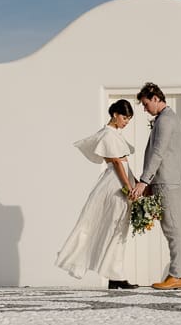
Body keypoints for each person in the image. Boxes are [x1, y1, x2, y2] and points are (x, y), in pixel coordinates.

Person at [55, 99, 139, 289]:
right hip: (116, 183)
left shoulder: (113, 134)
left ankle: (114, 276)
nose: (126, 122)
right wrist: (128, 187)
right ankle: (115, 276)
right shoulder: (108, 135)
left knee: (118, 228)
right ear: (115, 114)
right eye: (125, 117)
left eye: (129, 119)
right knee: (116, 228)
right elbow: (117, 163)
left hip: (120, 180)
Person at [129, 82, 181, 290]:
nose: (144, 109)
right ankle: (176, 275)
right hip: (164, 180)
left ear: (155, 98)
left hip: (168, 182)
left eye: (145, 104)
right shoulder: (165, 119)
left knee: (173, 229)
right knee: (171, 228)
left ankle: (177, 276)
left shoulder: (166, 121)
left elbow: (158, 152)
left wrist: (144, 182)